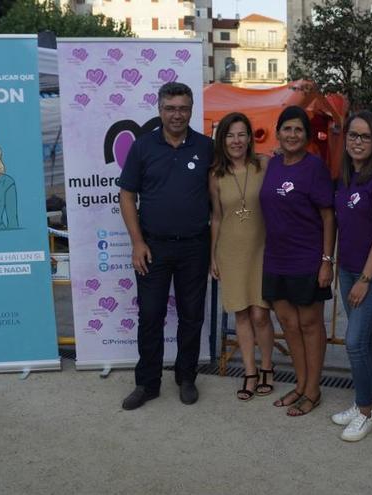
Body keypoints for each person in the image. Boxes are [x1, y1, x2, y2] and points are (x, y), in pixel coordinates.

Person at [118, 82, 213, 410]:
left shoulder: (206, 147)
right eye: (170, 108)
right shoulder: (143, 147)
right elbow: (127, 195)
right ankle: (147, 384)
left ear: (191, 110)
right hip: (152, 248)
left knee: (191, 316)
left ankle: (186, 377)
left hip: (195, 247)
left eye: (183, 108)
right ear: (160, 110)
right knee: (150, 316)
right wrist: (137, 242)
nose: (177, 114)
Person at [328, 111, 372, 441]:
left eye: (365, 137)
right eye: (353, 136)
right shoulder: (344, 177)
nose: (357, 142)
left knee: (355, 340)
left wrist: (365, 279)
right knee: (364, 339)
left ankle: (366, 410)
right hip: (348, 269)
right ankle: (365, 405)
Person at [259, 105, 335, 417]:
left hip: (307, 258)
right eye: (287, 129)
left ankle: (314, 389)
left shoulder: (314, 167)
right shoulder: (272, 165)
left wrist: (326, 260)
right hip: (276, 259)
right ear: (278, 133)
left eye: (298, 130)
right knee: (288, 324)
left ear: (307, 136)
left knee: (309, 324)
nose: (292, 135)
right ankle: (301, 384)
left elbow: (328, 216)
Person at [208, 112, 277, 401]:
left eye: (241, 134)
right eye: (229, 135)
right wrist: (213, 255)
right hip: (230, 251)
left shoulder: (264, 165)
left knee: (261, 313)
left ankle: (267, 367)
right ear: (222, 139)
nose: (235, 141)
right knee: (241, 313)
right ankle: (249, 372)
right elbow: (217, 218)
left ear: (250, 137)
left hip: (262, 248)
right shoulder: (216, 175)